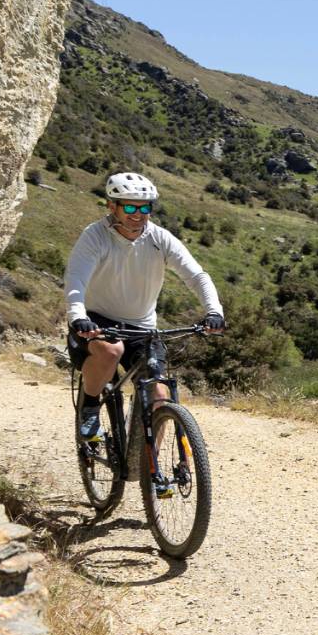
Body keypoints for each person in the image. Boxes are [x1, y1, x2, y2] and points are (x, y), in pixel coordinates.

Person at [63, 172, 225, 476]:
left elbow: (196, 275)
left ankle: (147, 467)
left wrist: (214, 311)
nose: (139, 215)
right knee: (110, 352)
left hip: (141, 326)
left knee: (160, 396)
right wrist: (78, 317)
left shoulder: (160, 238)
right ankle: (90, 404)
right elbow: (76, 279)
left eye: (145, 208)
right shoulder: (94, 236)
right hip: (97, 318)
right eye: (130, 208)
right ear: (112, 206)